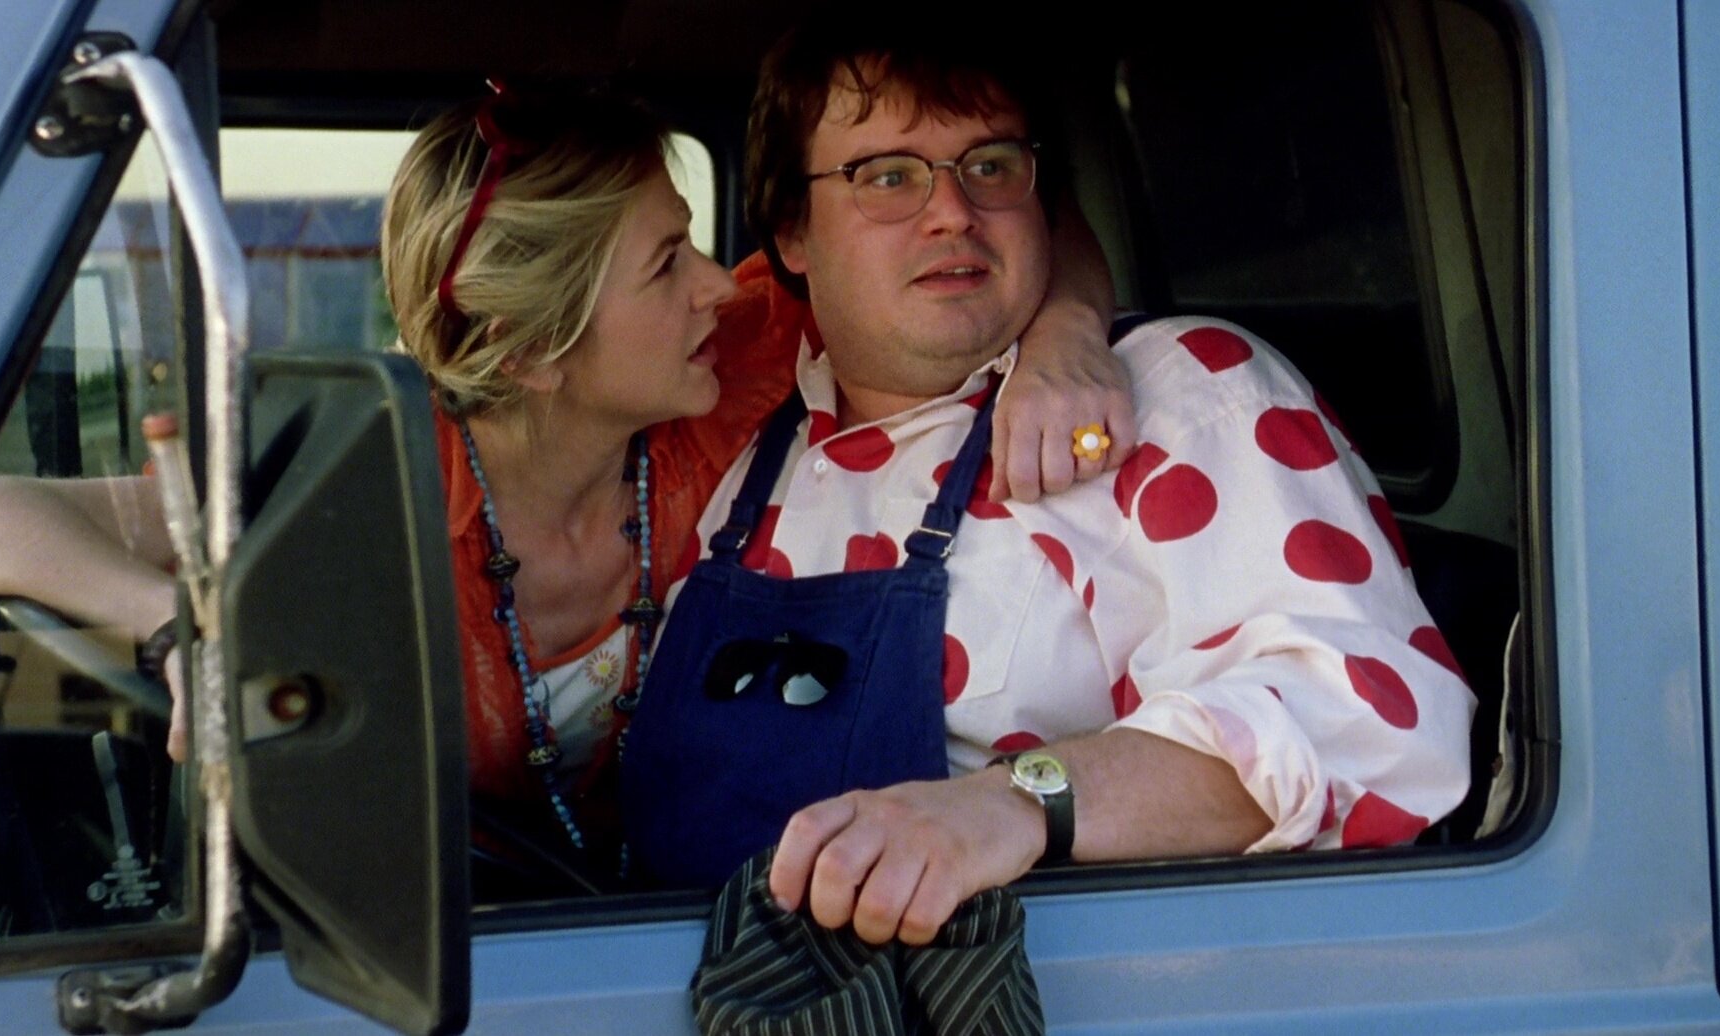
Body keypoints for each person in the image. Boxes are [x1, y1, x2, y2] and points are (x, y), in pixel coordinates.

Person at [0, 86, 1135, 881]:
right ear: (531, 352)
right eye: (666, 263)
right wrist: (180, 627)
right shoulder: (358, 486)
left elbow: (1016, 238)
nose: (719, 282)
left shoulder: (735, 363)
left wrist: (1071, 335)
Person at [618, 18, 1476, 941]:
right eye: (889, 178)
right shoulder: (741, 437)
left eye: (990, 166)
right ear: (792, 232)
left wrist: (1017, 804)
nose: (952, 212)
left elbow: (1372, 722)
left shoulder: (1183, 395)